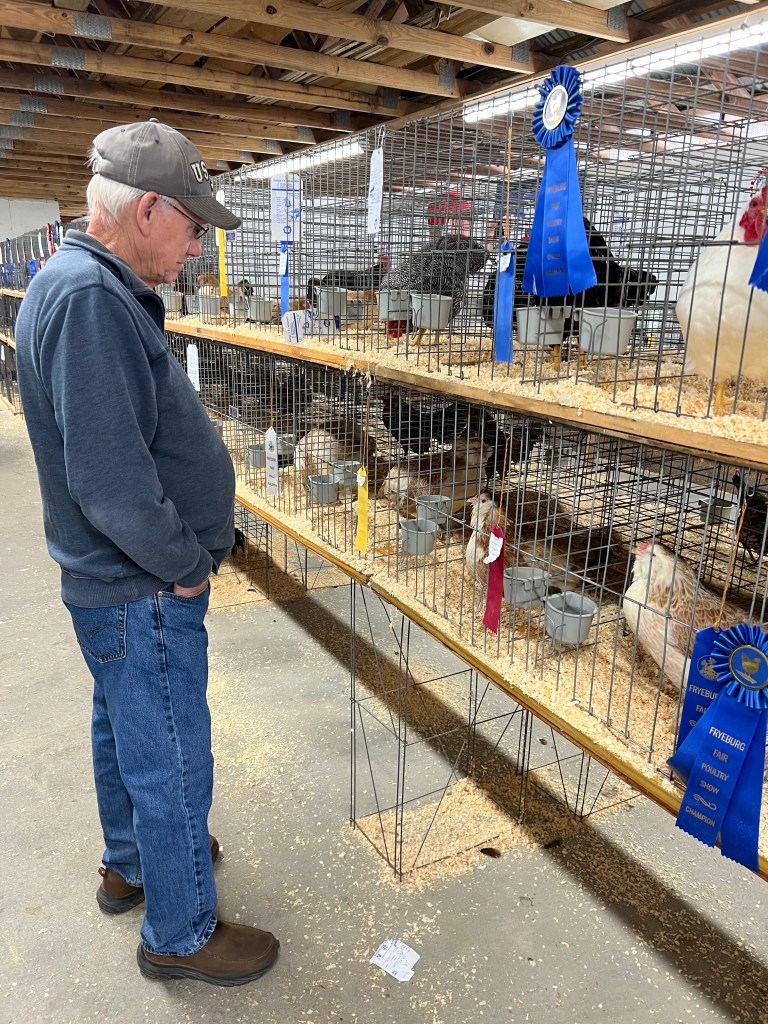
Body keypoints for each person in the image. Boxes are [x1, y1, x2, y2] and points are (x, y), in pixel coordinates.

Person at [15, 120, 279, 987]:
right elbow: (111, 480)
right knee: (170, 755)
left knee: (125, 728)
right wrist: (186, 563)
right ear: (149, 210)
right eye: (193, 226)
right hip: (140, 583)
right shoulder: (91, 299)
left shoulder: (81, 282)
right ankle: (180, 930)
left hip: (115, 585)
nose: (197, 246)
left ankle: (133, 863)